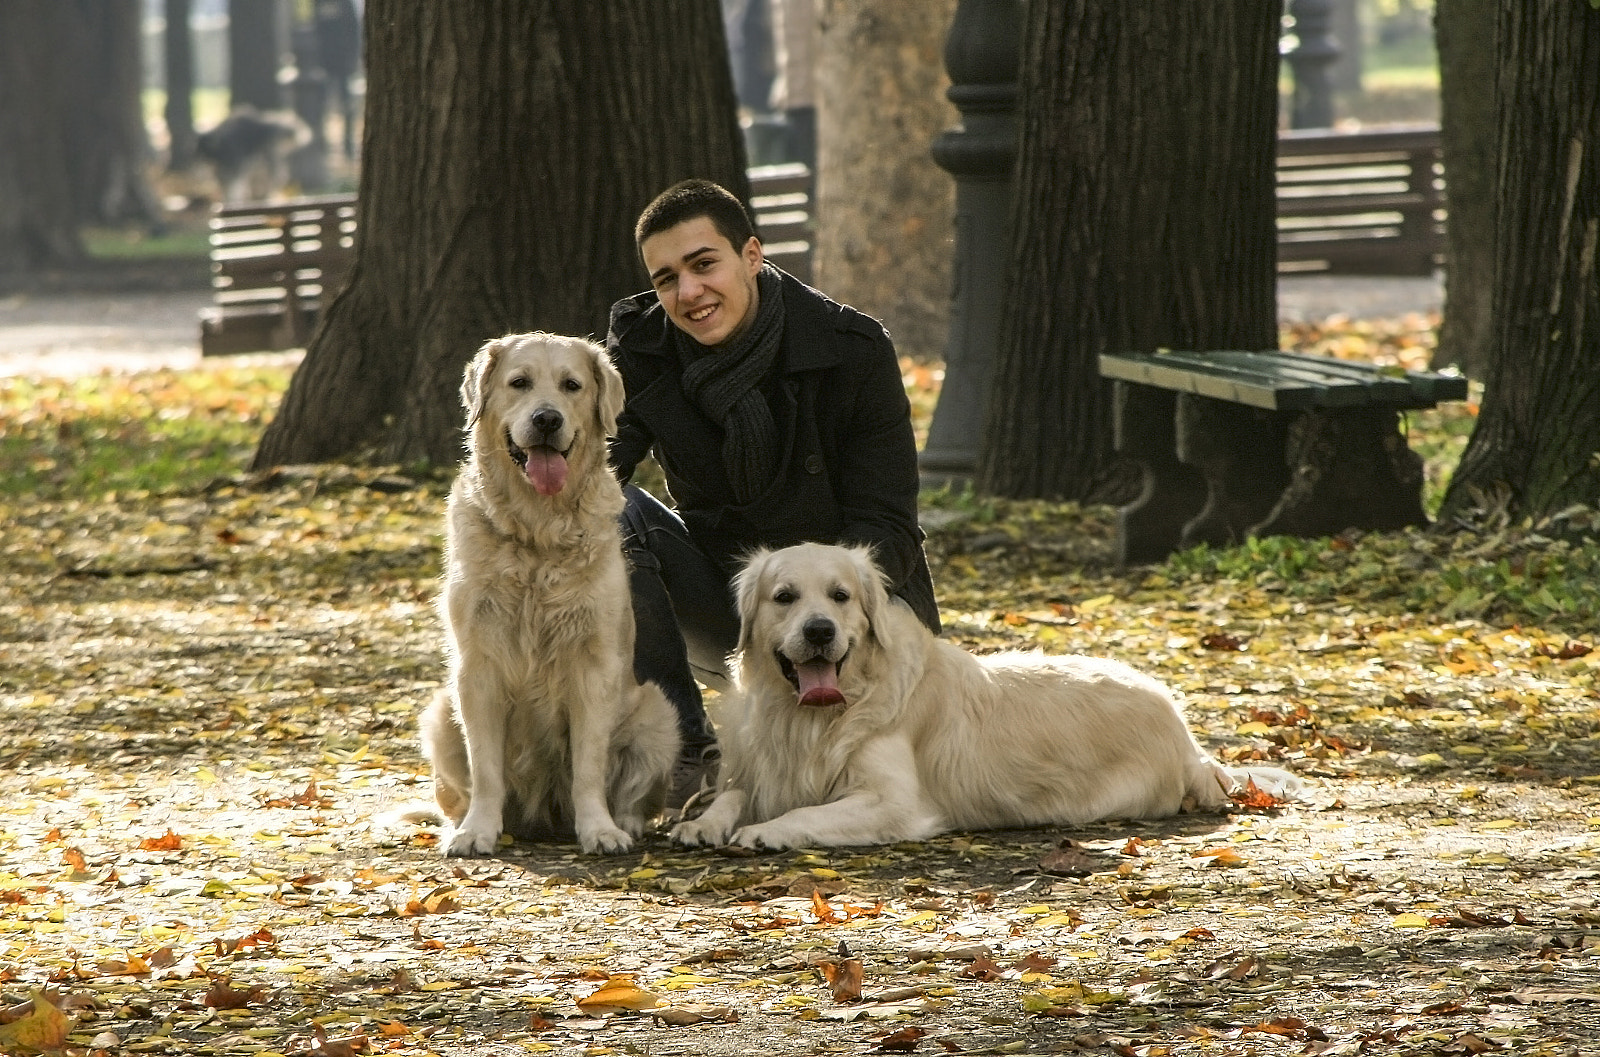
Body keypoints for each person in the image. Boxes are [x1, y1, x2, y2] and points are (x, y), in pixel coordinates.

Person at [606, 179, 939, 806]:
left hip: (860, 606)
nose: (689, 293)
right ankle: (687, 754)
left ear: (752, 256)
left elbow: (886, 523)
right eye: (666, 278)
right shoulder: (644, 349)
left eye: (705, 264)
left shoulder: (852, 349)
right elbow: (596, 469)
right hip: (739, 606)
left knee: (867, 779)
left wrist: (821, 609)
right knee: (611, 509)